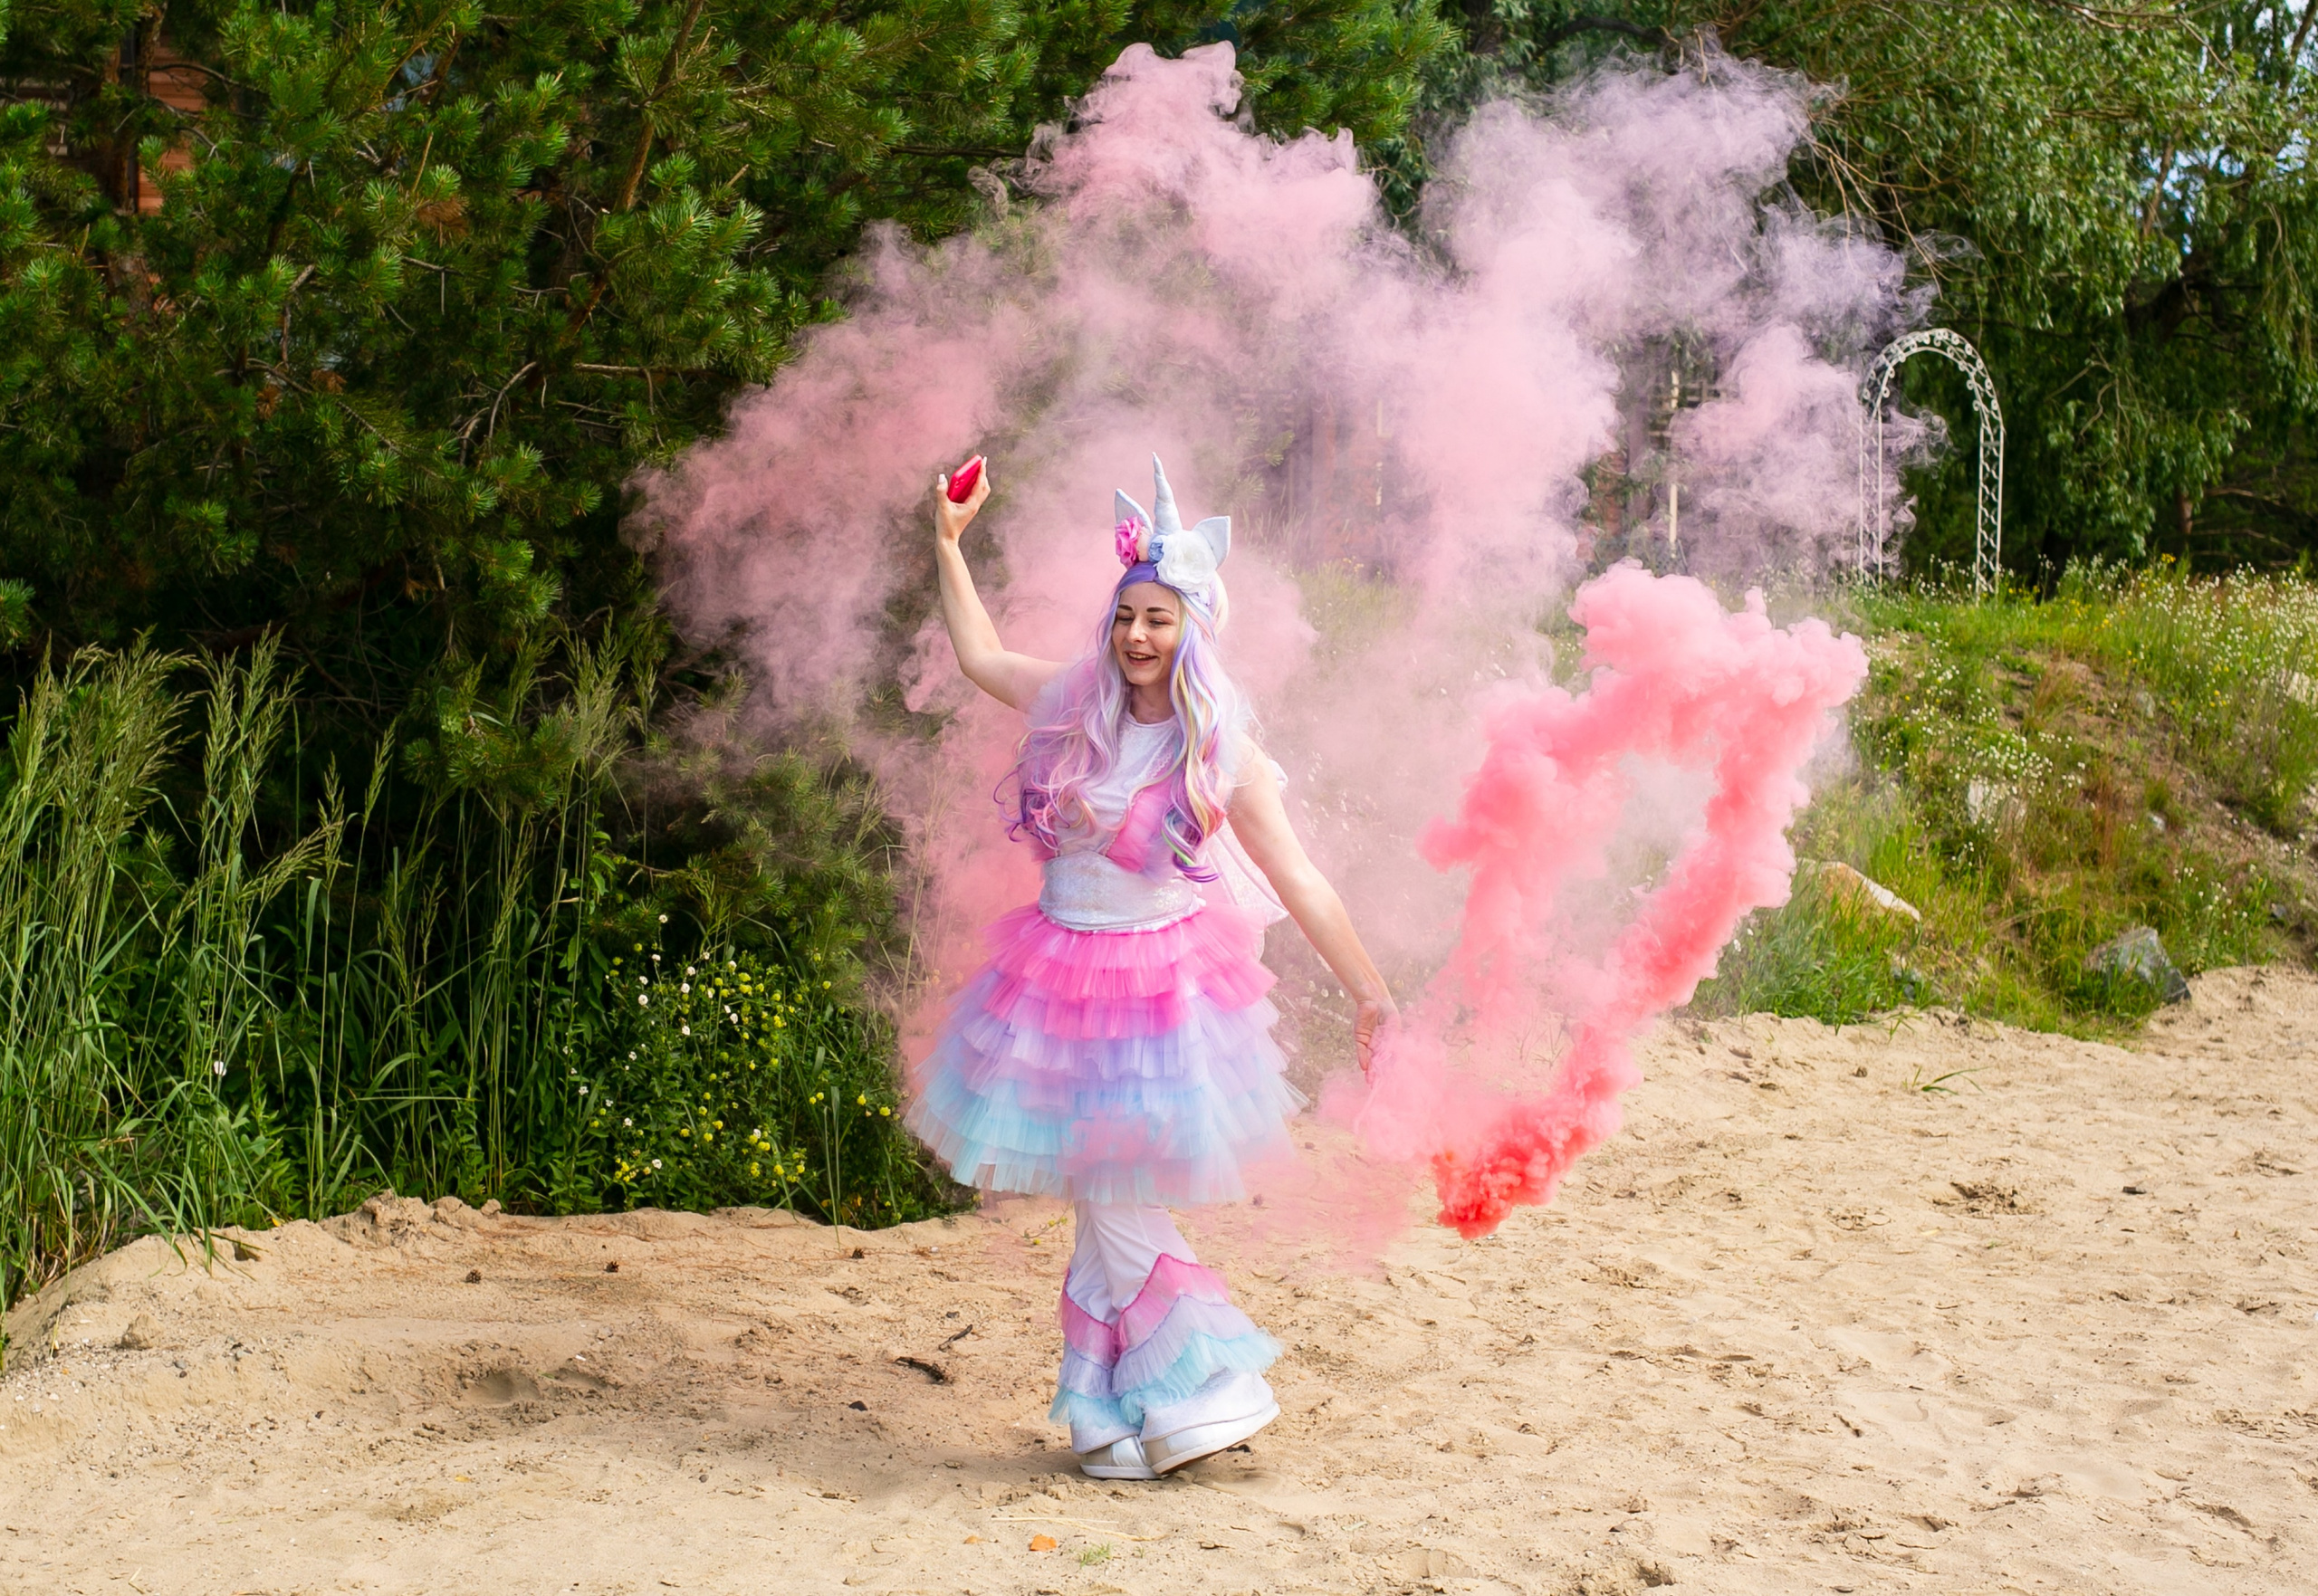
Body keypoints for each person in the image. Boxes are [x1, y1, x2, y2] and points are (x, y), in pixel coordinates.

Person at [906, 454, 1394, 1480]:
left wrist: (1370, 989)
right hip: (1054, 974)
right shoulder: (1074, 702)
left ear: (1192, 630)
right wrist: (947, 545)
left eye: (1159, 619)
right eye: (1126, 615)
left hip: (1155, 989)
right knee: (1100, 1194)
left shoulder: (1220, 753)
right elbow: (981, 655)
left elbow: (1300, 877)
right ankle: (1106, 1410)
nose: (1136, 635)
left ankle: (1209, 1384)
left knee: (1113, 1189)